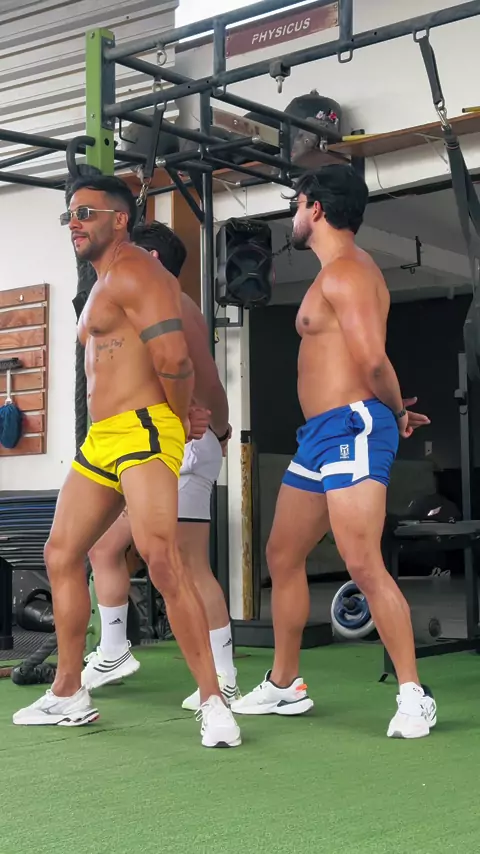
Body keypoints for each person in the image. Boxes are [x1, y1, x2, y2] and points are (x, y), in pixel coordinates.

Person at [13, 175, 241, 749]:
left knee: (162, 557)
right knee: (62, 552)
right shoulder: (100, 283)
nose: (74, 223)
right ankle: (69, 691)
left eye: (86, 213)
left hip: (143, 428)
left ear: (120, 219)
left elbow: (175, 359)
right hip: (104, 437)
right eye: (69, 214)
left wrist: (181, 418)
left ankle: (214, 700)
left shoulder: (141, 271)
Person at [231, 164, 436, 739]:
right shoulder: (333, 274)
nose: (293, 215)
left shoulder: (348, 272)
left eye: (296, 204)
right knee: (282, 553)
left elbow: (372, 360)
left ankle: (413, 696)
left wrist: (394, 412)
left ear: (315, 208)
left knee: (361, 561)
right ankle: (284, 683)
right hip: (319, 435)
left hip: (352, 426)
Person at [82, 220, 241, 711]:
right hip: (147, 444)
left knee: (188, 564)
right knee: (104, 547)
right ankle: (113, 650)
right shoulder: (134, 302)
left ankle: (224, 676)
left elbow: (205, 379)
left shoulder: (176, 304)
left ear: (149, 259)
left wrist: (217, 431)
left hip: (181, 442)